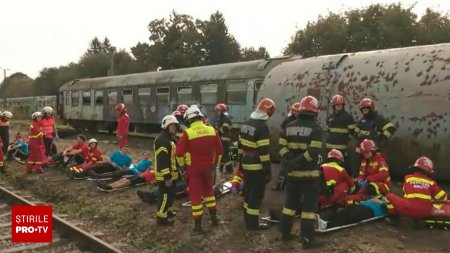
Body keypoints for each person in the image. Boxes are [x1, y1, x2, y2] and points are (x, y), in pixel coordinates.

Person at [278, 95, 323, 249]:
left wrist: (288, 162)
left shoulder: (288, 127)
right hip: (310, 176)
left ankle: (284, 234)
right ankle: (307, 240)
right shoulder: (316, 129)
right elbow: (313, 152)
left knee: (289, 206)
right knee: (309, 209)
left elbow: (282, 147)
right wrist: (297, 162)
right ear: (315, 111)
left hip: (292, 175)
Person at [176, 106, 223, 232]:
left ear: (190, 119)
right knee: (209, 192)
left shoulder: (188, 133)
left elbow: (179, 152)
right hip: (208, 167)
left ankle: (198, 226)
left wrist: (182, 166)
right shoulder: (212, 130)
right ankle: (214, 219)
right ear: (200, 117)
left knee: (195, 196)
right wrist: (214, 164)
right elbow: (220, 151)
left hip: (193, 169)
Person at [239, 98, 276, 230]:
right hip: (256, 165)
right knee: (257, 195)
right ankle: (253, 224)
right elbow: (264, 152)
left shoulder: (245, 123)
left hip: (245, 162)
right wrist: (267, 170)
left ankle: (247, 219)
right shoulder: (262, 127)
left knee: (248, 192)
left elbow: (239, 146)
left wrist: (239, 164)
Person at [385, 157, 448, 221]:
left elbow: (405, 192)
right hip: (425, 212)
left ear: (415, 168)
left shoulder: (408, 178)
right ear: (428, 171)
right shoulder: (431, 183)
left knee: (389, 196)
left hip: (408, 210)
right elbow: (443, 197)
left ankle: (393, 219)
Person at [346, 139, 391, 205]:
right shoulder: (364, 161)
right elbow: (362, 175)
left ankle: (378, 199)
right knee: (352, 186)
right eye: (364, 153)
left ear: (373, 151)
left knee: (371, 188)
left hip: (383, 184)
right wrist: (357, 180)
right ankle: (360, 196)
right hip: (368, 182)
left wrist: (368, 179)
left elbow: (384, 174)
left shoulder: (380, 160)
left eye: (367, 153)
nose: (365, 155)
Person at [153, 115, 180, 226]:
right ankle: (161, 219)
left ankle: (165, 211)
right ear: (166, 126)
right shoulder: (162, 140)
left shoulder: (169, 139)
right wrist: (167, 177)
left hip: (171, 174)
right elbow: (162, 160)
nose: (174, 127)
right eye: (171, 125)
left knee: (170, 195)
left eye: (174, 125)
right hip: (165, 176)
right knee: (165, 196)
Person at [325, 95, 355, 175]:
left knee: (342, 167)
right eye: (336, 105)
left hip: (342, 148)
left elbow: (352, 132)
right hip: (329, 148)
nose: (338, 107)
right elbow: (328, 131)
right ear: (333, 106)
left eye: (340, 105)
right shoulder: (330, 117)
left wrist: (346, 142)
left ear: (343, 105)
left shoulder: (348, 117)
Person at [274, 102, 301, 191]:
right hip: (288, 145)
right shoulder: (288, 120)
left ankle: (294, 187)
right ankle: (279, 186)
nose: (295, 114)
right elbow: (282, 130)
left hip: (296, 147)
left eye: (297, 112)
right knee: (284, 167)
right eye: (294, 112)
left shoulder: (303, 121)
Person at [214, 103, 233, 174]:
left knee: (225, 155)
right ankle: (221, 169)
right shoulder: (222, 118)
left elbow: (225, 129)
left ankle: (230, 170)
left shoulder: (225, 119)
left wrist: (218, 129)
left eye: (218, 111)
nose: (217, 113)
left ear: (221, 111)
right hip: (222, 139)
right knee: (222, 155)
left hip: (225, 139)